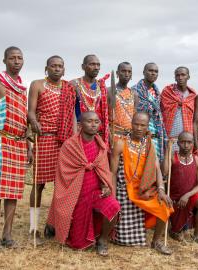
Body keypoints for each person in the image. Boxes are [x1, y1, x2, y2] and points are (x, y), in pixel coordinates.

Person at [46, 111, 120, 256]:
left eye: (96, 122)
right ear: (80, 125)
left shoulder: (101, 146)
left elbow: (104, 170)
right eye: (89, 121)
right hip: (76, 196)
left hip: (96, 193)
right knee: (79, 244)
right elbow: (63, 174)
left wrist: (105, 185)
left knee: (114, 206)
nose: (93, 125)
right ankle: (59, 229)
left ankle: (103, 241)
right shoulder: (70, 146)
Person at [27, 55, 76, 244]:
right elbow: (30, 110)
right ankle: (33, 229)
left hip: (63, 142)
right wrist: (33, 121)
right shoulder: (37, 84)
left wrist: (72, 139)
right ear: (46, 68)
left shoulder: (69, 89)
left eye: (60, 66)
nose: (57, 69)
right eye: (53, 66)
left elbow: (72, 114)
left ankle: (54, 225)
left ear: (64, 70)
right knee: (38, 185)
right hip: (44, 139)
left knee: (61, 187)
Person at [110, 112, 174, 255]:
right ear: (131, 124)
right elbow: (112, 173)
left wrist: (161, 189)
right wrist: (113, 196)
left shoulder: (149, 145)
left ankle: (156, 242)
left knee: (165, 206)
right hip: (124, 190)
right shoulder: (120, 143)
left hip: (145, 189)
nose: (139, 128)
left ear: (147, 127)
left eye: (143, 125)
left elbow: (157, 169)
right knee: (125, 241)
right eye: (136, 124)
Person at [0, 47, 30, 249]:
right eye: (12, 58)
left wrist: (29, 146)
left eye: (20, 58)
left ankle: (7, 235)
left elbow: (24, 120)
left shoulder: (21, 87)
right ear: (4, 60)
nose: (16, 61)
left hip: (18, 143)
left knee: (13, 192)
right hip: (1, 140)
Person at [163, 132, 198, 247]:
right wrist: (168, 150)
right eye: (183, 142)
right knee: (175, 232)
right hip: (175, 197)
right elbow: (164, 172)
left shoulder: (197, 160)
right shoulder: (173, 158)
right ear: (178, 143)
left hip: (191, 195)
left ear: (193, 143)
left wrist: (187, 195)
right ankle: (174, 230)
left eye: (189, 142)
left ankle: (197, 236)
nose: (186, 145)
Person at [70, 55, 109, 146]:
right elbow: (70, 112)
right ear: (83, 67)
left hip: (97, 134)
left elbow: (105, 115)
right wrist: (74, 136)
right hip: (79, 132)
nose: (96, 67)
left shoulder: (102, 87)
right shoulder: (74, 85)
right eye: (92, 64)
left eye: (98, 65)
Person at [132, 63, 166, 161]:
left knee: (156, 165)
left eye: (156, 72)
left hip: (156, 134)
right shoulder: (135, 91)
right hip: (141, 133)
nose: (153, 73)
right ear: (144, 72)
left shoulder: (157, 93)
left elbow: (158, 114)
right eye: (150, 71)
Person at [161, 66, 196, 152]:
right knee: (169, 161)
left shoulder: (192, 95)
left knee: (184, 162)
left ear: (188, 76)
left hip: (186, 139)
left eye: (183, 75)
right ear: (175, 77)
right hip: (170, 136)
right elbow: (161, 111)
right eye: (178, 75)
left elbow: (195, 118)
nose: (180, 77)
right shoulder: (167, 92)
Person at [108, 62, 138, 142]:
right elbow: (104, 115)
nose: (126, 74)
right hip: (113, 135)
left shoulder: (134, 94)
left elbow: (135, 117)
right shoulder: (109, 91)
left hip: (129, 137)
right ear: (117, 73)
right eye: (123, 71)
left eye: (129, 72)